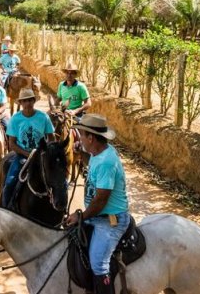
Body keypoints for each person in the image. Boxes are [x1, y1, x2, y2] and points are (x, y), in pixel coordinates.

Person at [65, 114, 129, 294]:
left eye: (82, 135)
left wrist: (81, 216)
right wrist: (82, 153)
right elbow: (93, 167)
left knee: (98, 263)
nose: (80, 138)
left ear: (91, 138)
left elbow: (101, 200)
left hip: (110, 220)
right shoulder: (97, 152)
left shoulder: (106, 162)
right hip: (98, 216)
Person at [2, 88, 54, 207]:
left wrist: (47, 153)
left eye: (30, 100)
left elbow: (51, 138)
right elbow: (12, 144)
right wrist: (28, 154)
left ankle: (61, 209)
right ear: (20, 103)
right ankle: (4, 208)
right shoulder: (15, 119)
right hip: (22, 155)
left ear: (34, 101)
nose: (27, 104)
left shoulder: (43, 117)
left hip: (42, 155)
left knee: (60, 182)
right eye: (24, 101)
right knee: (9, 182)